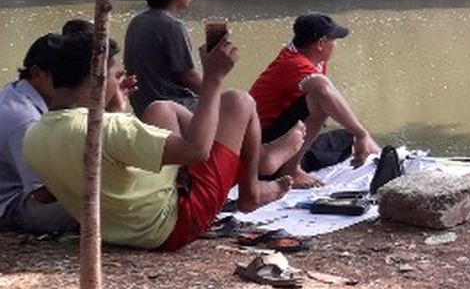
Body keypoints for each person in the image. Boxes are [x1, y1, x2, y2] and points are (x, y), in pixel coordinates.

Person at [23, 31, 298, 250]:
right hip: (171, 224)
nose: (119, 82)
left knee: (161, 108)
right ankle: (250, 190)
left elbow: (86, 170)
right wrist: (213, 77)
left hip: (114, 229)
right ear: (97, 79)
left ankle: (253, 157)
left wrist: (116, 108)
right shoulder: (107, 128)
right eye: (115, 76)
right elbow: (197, 151)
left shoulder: (34, 134)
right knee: (239, 101)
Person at [0, 28, 131, 234]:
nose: (69, 82)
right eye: (61, 76)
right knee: (104, 209)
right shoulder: (24, 120)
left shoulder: (23, 91)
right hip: (13, 204)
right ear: (36, 74)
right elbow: (42, 193)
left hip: (34, 190)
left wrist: (111, 110)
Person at [249, 13, 380, 188]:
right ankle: (289, 169)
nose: (335, 46)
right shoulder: (294, 63)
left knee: (345, 137)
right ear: (320, 44)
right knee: (319, 100)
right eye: (333, 41)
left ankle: (289, 164)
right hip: (263, 140)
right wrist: (361, 134)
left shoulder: (310, 57)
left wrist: (358, 133)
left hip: (281, 131)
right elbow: (323, 90)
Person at [124, 0, 200, 117]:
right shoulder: (173, 26)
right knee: (235, 104)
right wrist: (215, 94)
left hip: (142, 107)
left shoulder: (136, 22)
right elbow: (189, 77)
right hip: (172, 105)